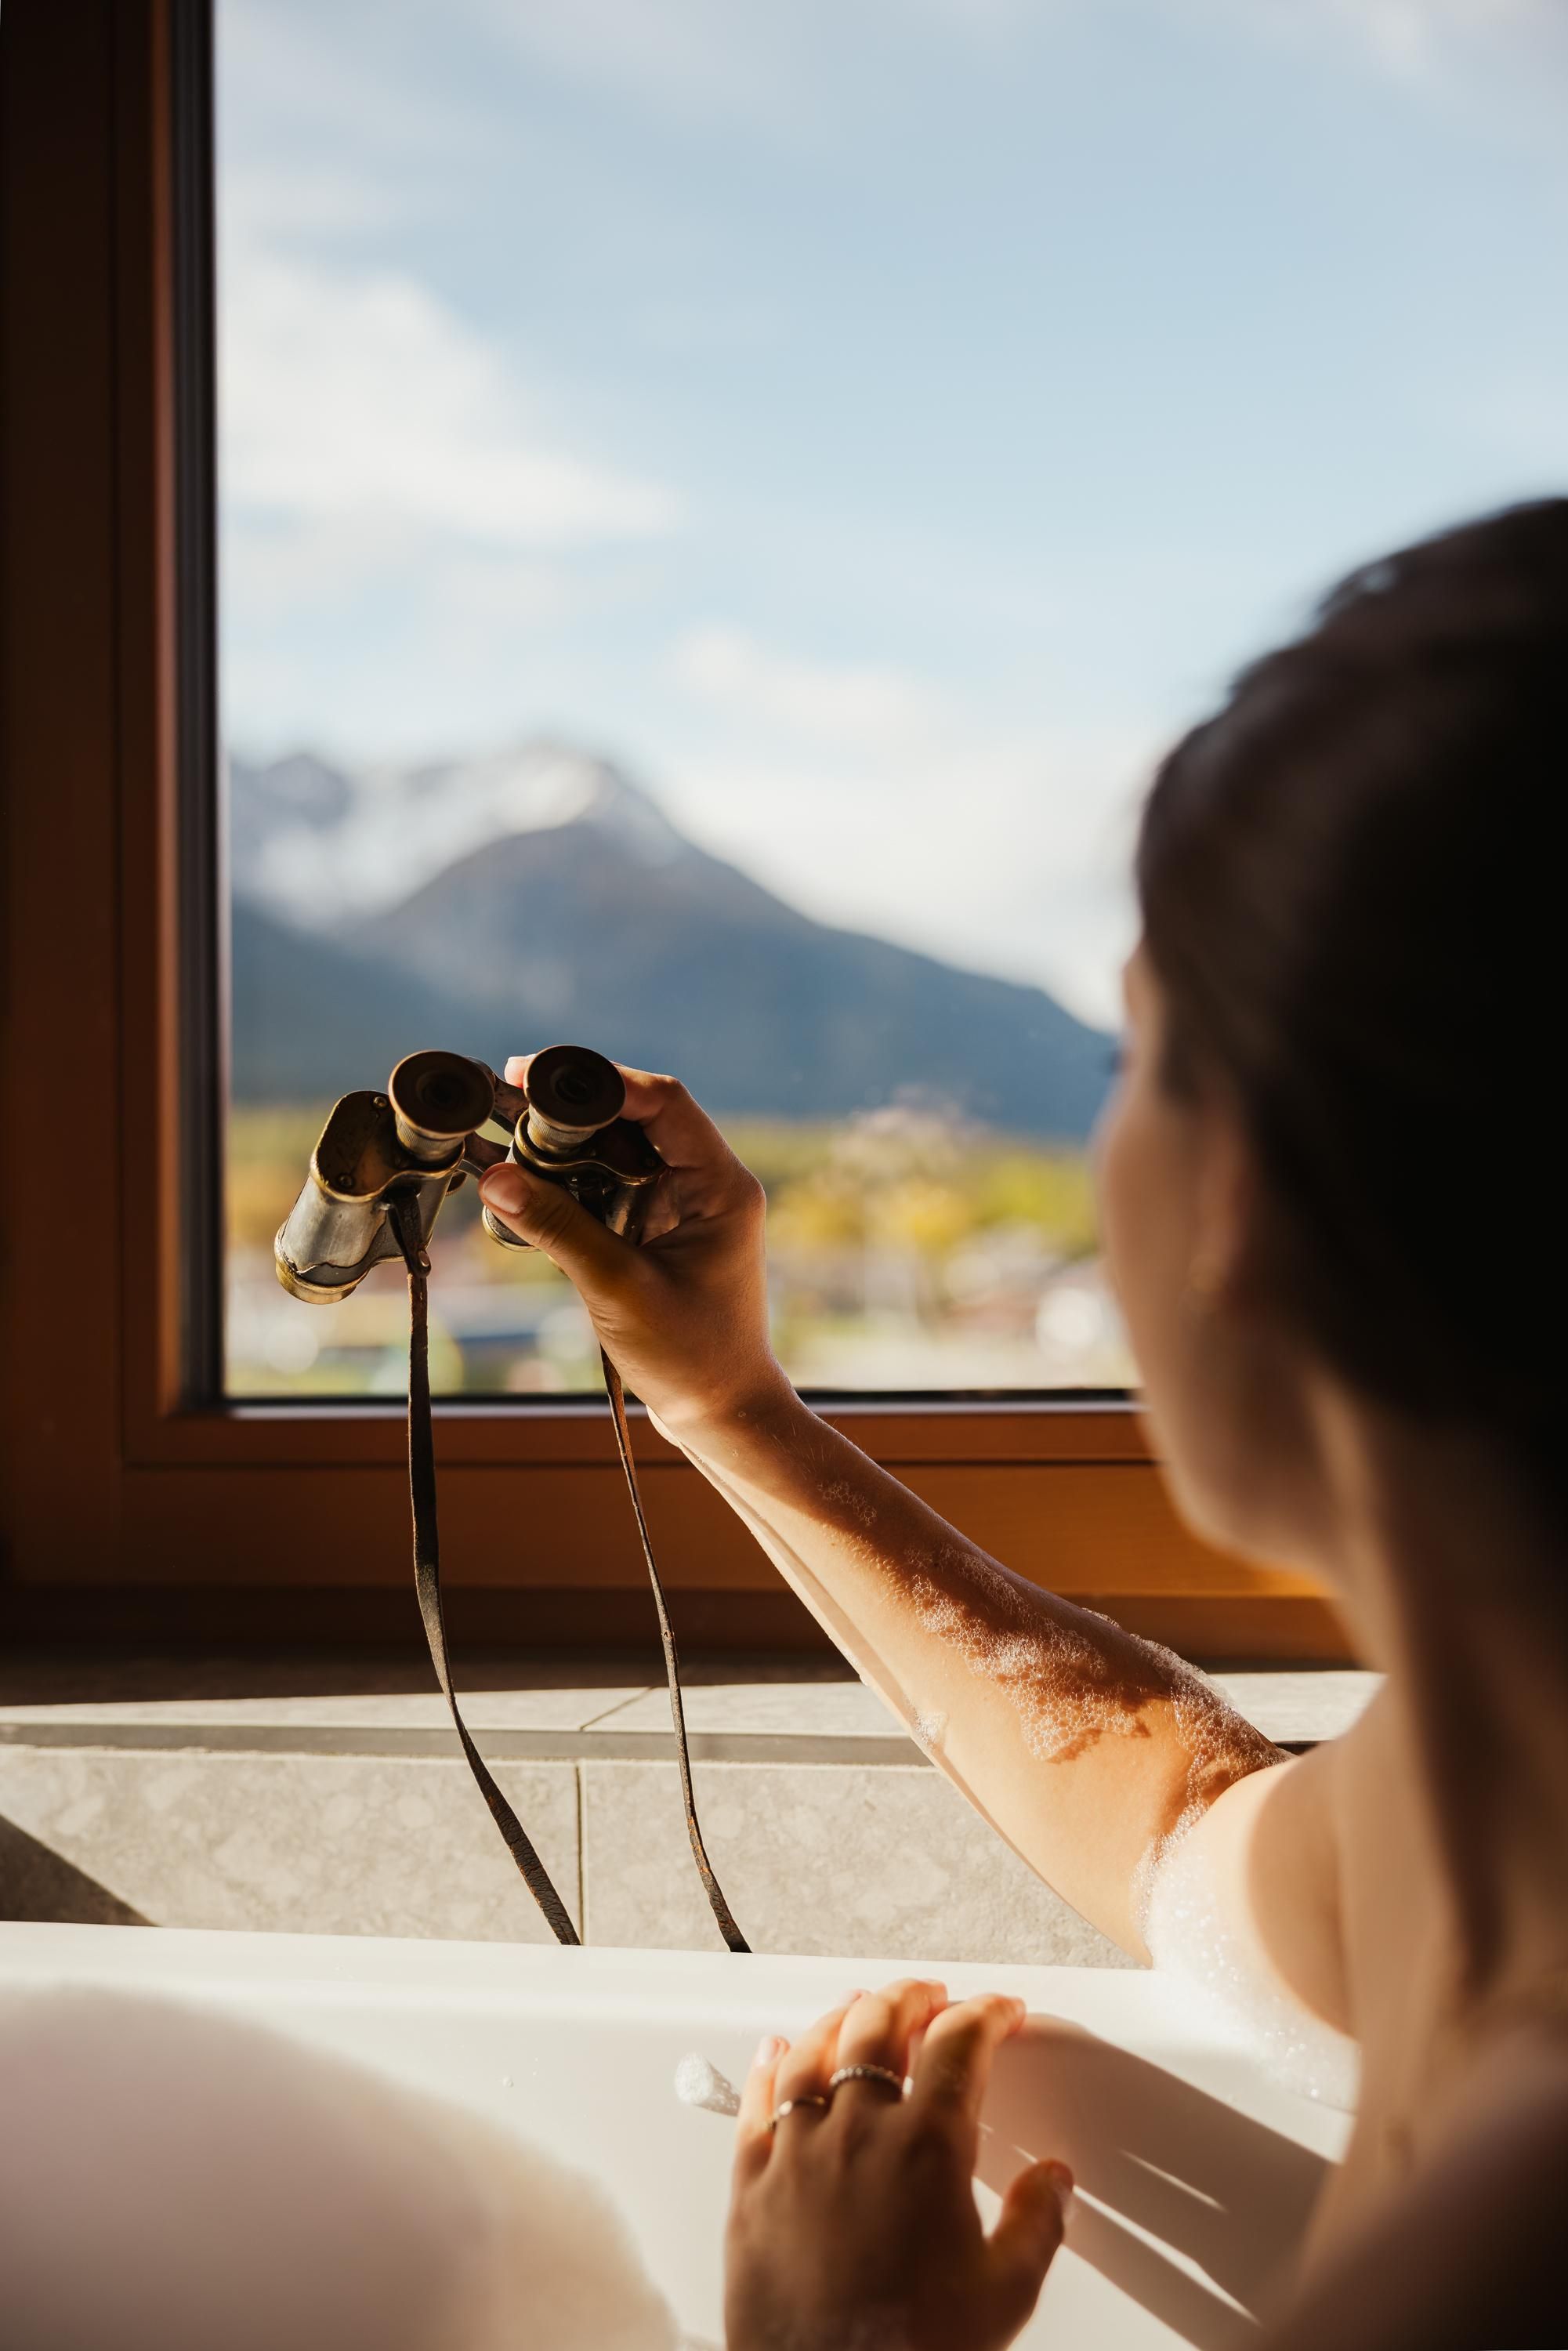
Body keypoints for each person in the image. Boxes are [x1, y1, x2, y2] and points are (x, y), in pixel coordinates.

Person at [477, 500, 1568, 2351]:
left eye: (1134, 1055)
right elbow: (1177, 1823)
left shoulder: (1500, 2225)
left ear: (1239, 1197)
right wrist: (729, 1403)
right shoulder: (1476, 1807)